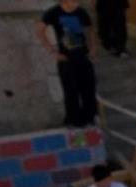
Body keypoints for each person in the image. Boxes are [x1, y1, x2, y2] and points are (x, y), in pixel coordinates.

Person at [37, 0, 98, 128]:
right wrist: (52, 52)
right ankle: (74, 121)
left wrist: (93, 48)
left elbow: (90, 30)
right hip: (66, 58)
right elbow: (40, 31)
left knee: (89, 89)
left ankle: (89, 118)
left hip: (83, 56)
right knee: (71, 91)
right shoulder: (53, 12)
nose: (77, 2)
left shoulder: (81, 12)